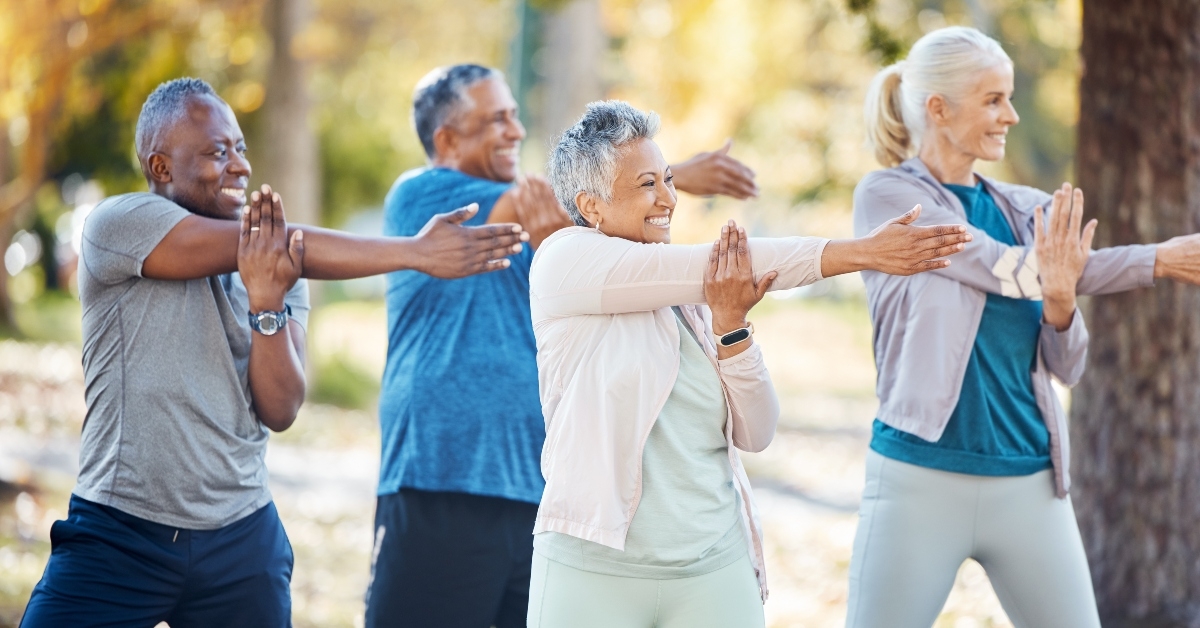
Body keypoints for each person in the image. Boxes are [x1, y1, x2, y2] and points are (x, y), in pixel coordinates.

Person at [19, 78, 527, 628]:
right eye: (218, 151)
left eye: (240, 147)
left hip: (240, 540)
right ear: (161, 168)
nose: (239, 165)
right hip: (119, 533)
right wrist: (414, 253)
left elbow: (280, 409)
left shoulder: (282, 273)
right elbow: (280, 244)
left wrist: (267, 303)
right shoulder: (119, 226)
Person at [525, 100, 972, 628]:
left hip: (713, 567)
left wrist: (732, 329)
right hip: (593, 571)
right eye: (647, 184)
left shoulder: (693, 299)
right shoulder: (563, 262)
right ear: (591, 206)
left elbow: (758, 433)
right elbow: (725, 263)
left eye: (669, 179)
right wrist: (860, 253)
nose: (669, 197)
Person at [366, 64, 769, 628]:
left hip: (537, 488)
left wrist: (652, 177)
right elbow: (545, 195)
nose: (514, 130)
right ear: (447, 141)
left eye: (514, 115)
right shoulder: (422, 199)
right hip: (442, 476)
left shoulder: (563, 236)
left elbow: (584, 200)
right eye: (495, 120)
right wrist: (680, 171)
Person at [847, 26, 1200, 628]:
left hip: (1030, 480)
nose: (1010, 115)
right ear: (939, 108)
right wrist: (1159, 259)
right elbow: (999, 265)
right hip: (919, 479)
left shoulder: (1029, 208)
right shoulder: (891, 199)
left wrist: (1062, 302)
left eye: (1009, 98)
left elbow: (1069, 363)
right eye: (992, 100)